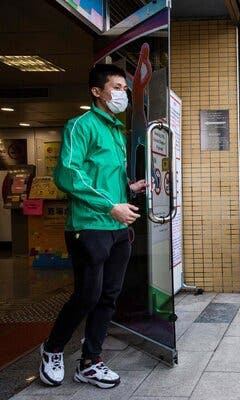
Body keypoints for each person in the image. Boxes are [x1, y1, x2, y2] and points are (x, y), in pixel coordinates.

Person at [39, 64, 148, 389]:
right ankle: (53, 349)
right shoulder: (80, 126)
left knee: (109, 296)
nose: (122, 94)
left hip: (117, 226)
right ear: (96, 91)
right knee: (87, 294)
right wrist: (109, 206)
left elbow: (102, 176)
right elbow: (68, 174)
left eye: (124, 89)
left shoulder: (116, 130)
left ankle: (90, 361)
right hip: (89, 225)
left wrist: (129, 188)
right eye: (116, 87)